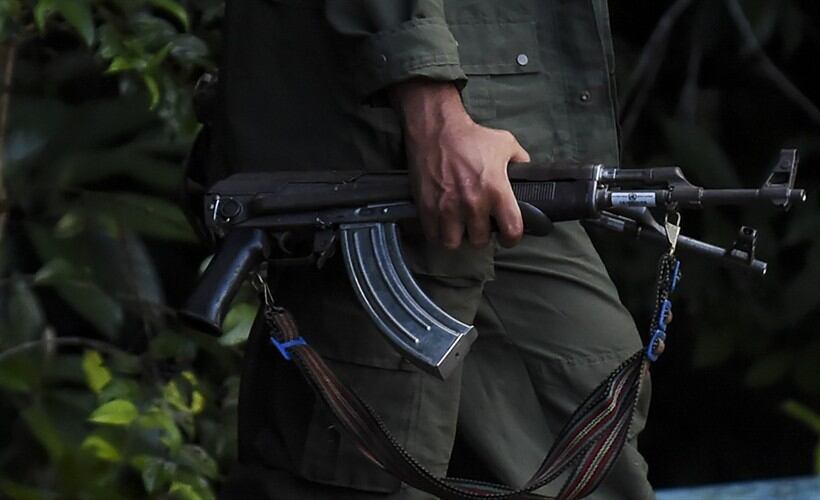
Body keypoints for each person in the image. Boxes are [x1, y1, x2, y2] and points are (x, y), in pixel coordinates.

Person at [217, 1, 653, 498]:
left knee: (594, 405)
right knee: (362, 461)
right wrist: (431, 107)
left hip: (501, 154)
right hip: (389, 151)